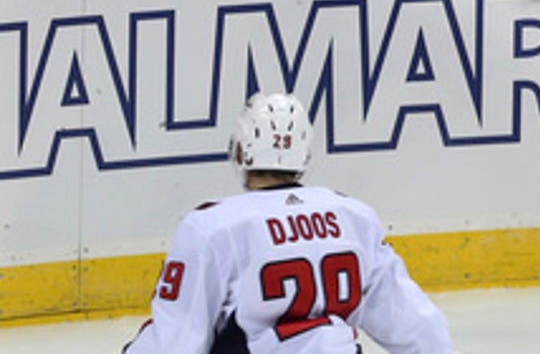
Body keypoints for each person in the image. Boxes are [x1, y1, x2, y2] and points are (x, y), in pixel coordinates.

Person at [122, 91, 454, 353]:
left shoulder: (213, 227)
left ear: (240, 152)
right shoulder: (354, 216)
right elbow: (416, 325)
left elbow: (176, 340)